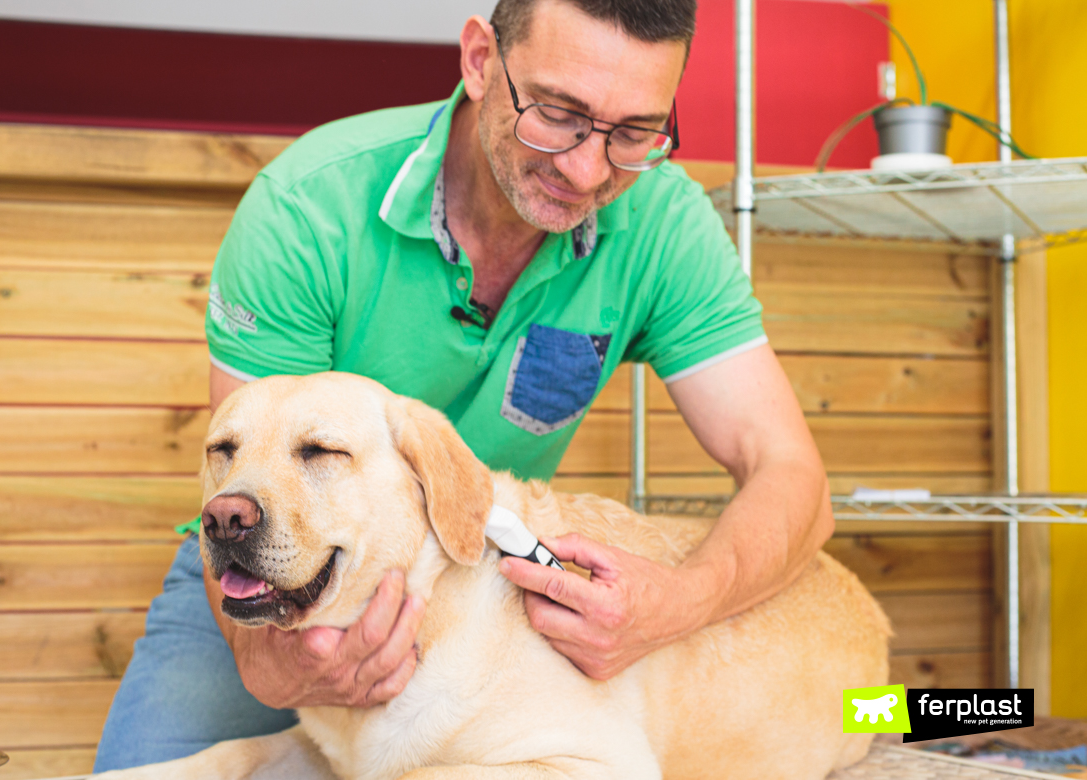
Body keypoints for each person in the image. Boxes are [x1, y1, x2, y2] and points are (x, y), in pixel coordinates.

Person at [94, 0, 834, 771]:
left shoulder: (664, 222)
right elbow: (253, 480)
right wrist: (270, 664)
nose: (588, 169)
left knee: (893, 715)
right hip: (268, 556)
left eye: (635, 132)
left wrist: (677, 605)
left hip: (486, 559)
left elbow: (790, 472)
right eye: (557, 113)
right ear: (480, 62)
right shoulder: (306, 209)